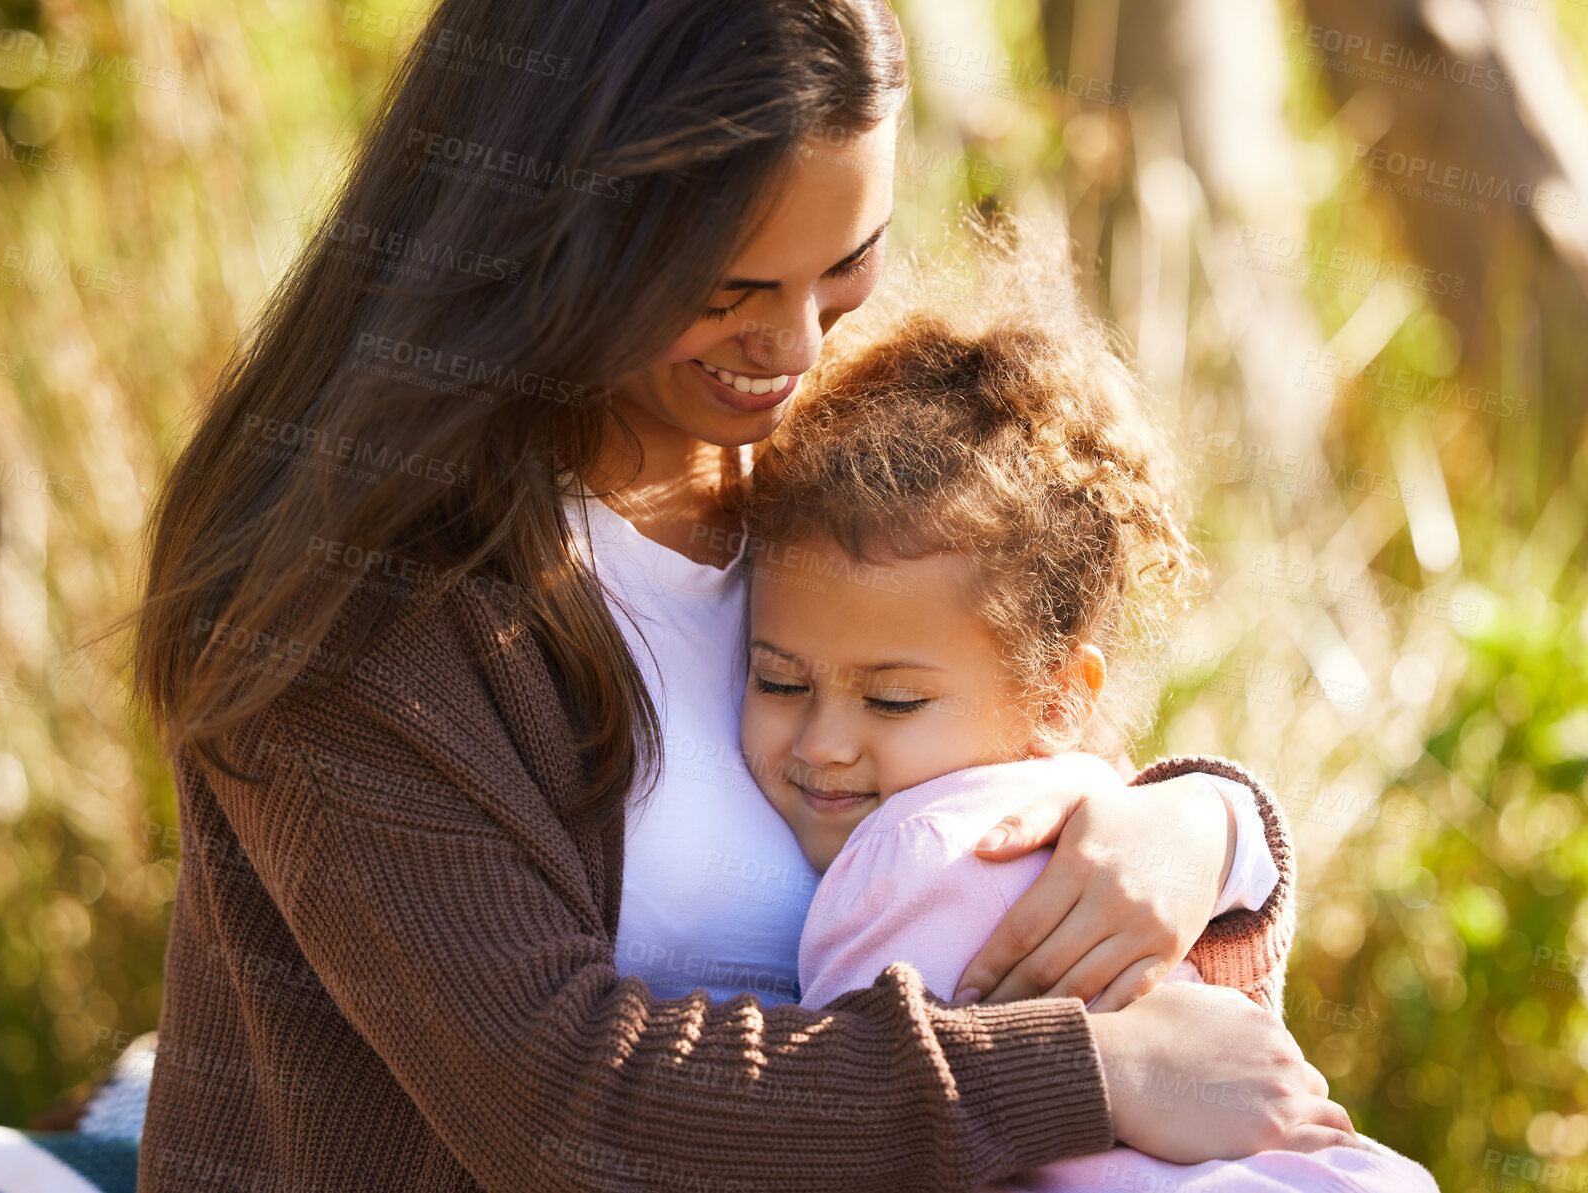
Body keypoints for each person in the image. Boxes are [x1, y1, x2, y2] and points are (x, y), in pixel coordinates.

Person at [127, 2, 1353, 1189]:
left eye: (845, 264)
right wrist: (1071, 1073)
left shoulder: (840, 477)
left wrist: (1206, 829)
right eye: (723, 289)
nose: (794, 347)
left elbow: (1015, 791)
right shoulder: (356, 603)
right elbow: (562, 1107)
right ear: (548, 229)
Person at [735, 239, 1438, 1189]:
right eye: (778, 680)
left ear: (1061, 697)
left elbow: (850, 1138)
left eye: (893, 699)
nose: (821, 742)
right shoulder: (1103, 806)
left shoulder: (914, 852)